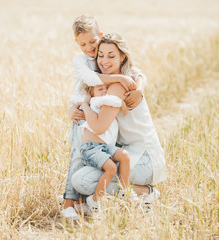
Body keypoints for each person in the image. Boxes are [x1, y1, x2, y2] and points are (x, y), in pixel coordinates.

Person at [71, 33, 166, 209]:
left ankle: (144, 192)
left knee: (82, 180)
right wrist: (74, 109)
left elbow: (98, 127)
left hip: (144, 158)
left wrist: (84, 106)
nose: (104, 61)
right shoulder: (111, 80)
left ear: (123, 57)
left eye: (111, 56)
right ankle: (101, 197)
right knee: (84, 172)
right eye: (101, 55)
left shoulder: (118, 85)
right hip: (124, 153)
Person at [61, 15, 143, 220]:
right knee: (78, 157)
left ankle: (85, 201)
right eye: (83, 44)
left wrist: (138, 87)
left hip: (97, 115)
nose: (89, 47)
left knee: (91, 161)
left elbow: (138, 72)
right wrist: (119, 78)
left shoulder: (102, 56)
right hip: (81, 112)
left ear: (100, 36)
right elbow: (90, 79)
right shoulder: (80, 60)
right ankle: (68, 203)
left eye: (92, 42)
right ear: (76, 43)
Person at [80, 83, 131, 212]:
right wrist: (121, 103)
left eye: (106, 88)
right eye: (100, 89)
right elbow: (108, 99)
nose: (104, 91)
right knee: (111, 168)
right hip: (91, 147)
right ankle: (94, 201)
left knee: (124, 156)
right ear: (92, 94)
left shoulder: (105, 107)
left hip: (105, 147)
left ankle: (124, 192)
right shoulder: (95, 101)